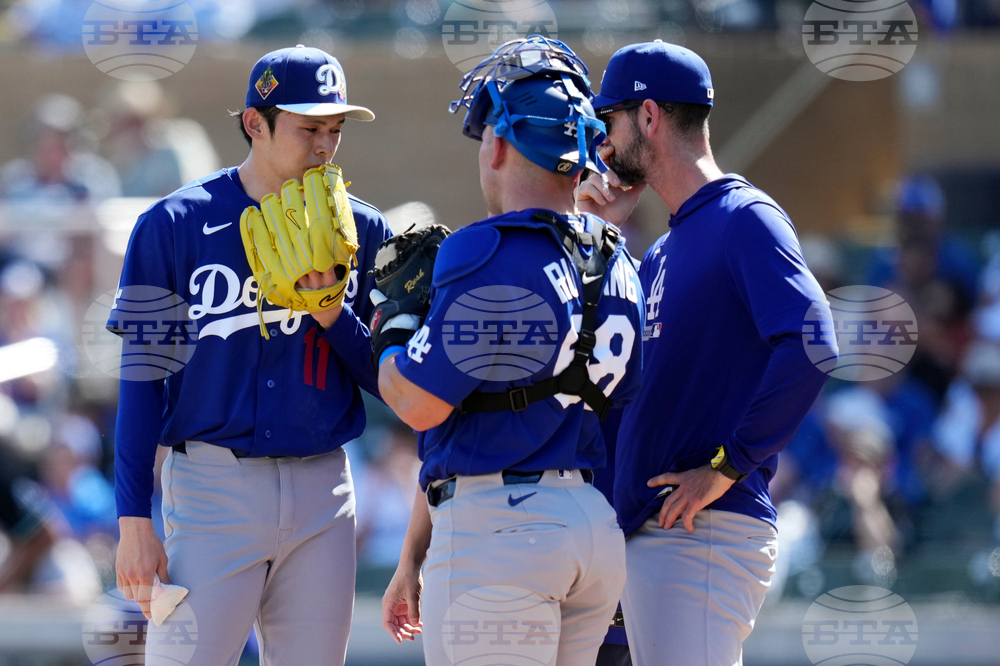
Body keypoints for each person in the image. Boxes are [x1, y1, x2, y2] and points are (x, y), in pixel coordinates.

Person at [111, 45, 390, 666]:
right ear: (254, 123)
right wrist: (133, 517)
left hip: (325, 490)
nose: (325, 145)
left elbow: (390, 382)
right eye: (308, 127)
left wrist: (331, 311)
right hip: (213, 488)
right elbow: (140, 379)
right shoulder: (174, 224)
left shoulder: (364, 232)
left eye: (335, 129)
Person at [376, 36, 645, 665]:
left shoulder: (482, 251)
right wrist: (415, 552)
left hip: (502, 533)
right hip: (588, 525)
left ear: (497, 142)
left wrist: (390, 324)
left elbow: (418, 404)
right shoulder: (620, 261)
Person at [576, 41, 837, 665]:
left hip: (703, 531)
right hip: (664, 534)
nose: (603, 146)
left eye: (609, 122)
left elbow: (813, 341)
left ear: (648, 116)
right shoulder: (668, 245)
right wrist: (605, 236)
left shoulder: (744, 217)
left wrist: (727, 465)